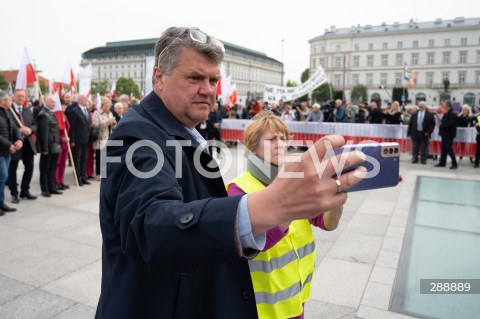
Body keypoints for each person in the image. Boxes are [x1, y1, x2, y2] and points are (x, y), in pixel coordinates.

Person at [95, 26, 365, 319]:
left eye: (213, 79)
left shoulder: (177, 130)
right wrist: (274, 205)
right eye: (194, 77)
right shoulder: (137, 136)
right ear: (159, 77)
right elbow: (151, 227)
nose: (208, 89)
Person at [227, 111, 343, 319]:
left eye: (283, 139)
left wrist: (339, 194)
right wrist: (292, 199)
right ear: (253, 147)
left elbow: (327, 223)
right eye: (272, 139)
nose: (280, 144)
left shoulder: (294, 181)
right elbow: (257, 242)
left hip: (296, 299)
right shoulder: (237, 189)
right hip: (263, 309)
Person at [7, 89, 37, 203]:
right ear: (13, 97)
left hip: (28, 144)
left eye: (22, 96)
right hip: (15, 144)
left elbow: (35, 124)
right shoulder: (8, 110)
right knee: (12, 170)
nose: (20, 98)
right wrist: (18, 131)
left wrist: (30, 129)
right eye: (18, 96)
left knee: (29, 168)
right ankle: (14, 193)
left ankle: (25, 190)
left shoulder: (27, 110)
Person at [0, 91, 23, 214]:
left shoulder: (8, 112)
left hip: (7, 151)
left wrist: (19, 139)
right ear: (2, 101)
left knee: (3, 178)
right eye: (9, 99)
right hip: (2, 150)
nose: (11, 101)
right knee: (2, 176)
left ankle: (1, 203)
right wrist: (9, 145)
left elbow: (14, 128)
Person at [36, 95, 63, 197]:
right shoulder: (44, 114)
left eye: (55, 102)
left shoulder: (51, 113)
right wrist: (44, 148)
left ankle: (51, 186)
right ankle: (45, 189)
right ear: (46, 102)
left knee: (52, 168)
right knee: (45, 169)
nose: (54, 104)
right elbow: (43, 133)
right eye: (52, 102)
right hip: (48, 147)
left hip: (55, 145)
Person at [66, 94, 91, 185]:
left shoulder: (87, 110)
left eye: (86, 99)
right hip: (77, 139)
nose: (86, 100)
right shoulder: (75, 111)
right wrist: (72, 140)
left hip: (86, 138)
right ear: (79, 100)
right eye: (84, 99)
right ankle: (78, 178)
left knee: (84, 158)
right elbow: (72, 127)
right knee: (77, 159)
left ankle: (83, 176)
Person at [92, 96, 116, 179]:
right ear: (102, 106)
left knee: (106, 156)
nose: (107, 108)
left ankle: (105, 172)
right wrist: (106, 122)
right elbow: (95, 124)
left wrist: (113, 123)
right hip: (100, 137)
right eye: (106, 106)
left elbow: (113, 126)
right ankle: (98, 174)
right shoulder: (97, 113)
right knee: (99, 156)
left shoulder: (110, 113)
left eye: (109, 106)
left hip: (109, 137)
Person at [435, 101, 458, 169]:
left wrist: (441, 126)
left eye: (444, 105)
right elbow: (444, 121)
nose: (443, 106)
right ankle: (442, 162)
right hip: (445, 134)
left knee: (448, 148)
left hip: (449, 134)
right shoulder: (447, 112)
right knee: (443, 148)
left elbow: (451, 124)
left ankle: (454, 163)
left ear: (447, 106)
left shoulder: (453, 113)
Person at [54, 102, 70, 190]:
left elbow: (67, 128)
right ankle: (56, 181)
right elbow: (55, 130)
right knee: (58, 163)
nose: (64, 107)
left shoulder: (64, 116)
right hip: (59, 142)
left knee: (63, 163)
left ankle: (61, 180)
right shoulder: (57, 116)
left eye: (65, 105)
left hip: (65, 143)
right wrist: (61, 138)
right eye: (62, 105)